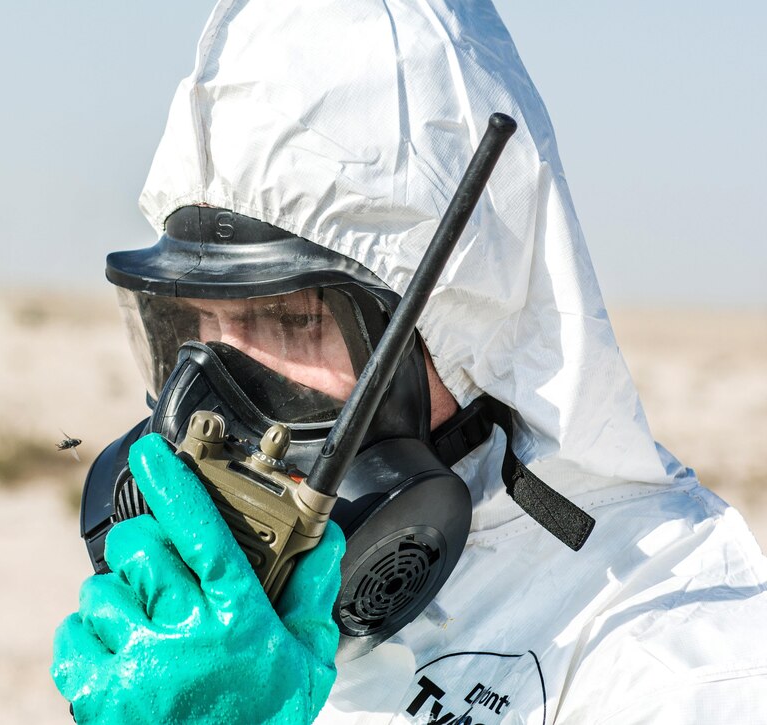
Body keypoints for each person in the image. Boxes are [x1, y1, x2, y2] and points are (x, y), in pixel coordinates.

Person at [52, 1, 767, 722]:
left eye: (292, 320)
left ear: (458, 323)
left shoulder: (683, 657)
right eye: (191, 324)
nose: (204, 404)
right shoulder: (242, 634)